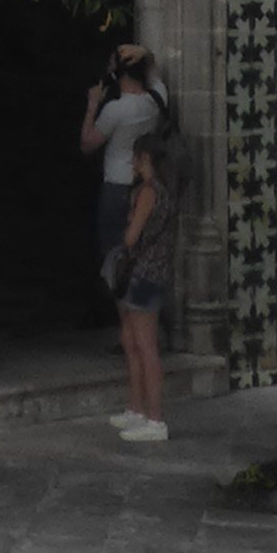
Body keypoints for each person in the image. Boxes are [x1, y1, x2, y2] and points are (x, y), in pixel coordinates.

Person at [109, 134, 178, 443]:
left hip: (145, 273)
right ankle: (136, 408)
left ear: (145, 158)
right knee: (131, 341)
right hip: (145, 272)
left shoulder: (149, 192)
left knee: (145, 346)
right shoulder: (159, 190)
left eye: (136, 157)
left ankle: (154, 418)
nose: (132, 163)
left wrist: (125, 232)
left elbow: (132, 237)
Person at [81, 42, 168, 270]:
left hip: (118, 186)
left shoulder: (116, 110)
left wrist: (92, 104)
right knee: (141, 254)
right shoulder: (157, 98)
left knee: (114, 257)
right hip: (146, 183)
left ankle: (119, 303)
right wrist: (146, 54)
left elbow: (87, 144)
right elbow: (154, 71)